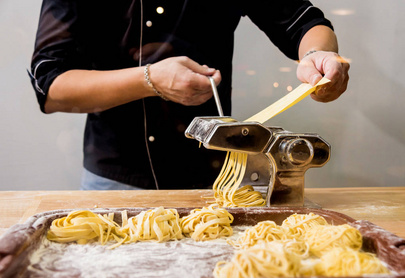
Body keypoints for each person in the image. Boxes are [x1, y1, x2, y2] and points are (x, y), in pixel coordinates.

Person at [28, 0, 349, 190]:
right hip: (114, 183)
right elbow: (51, 86)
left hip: (215, 182)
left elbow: (303, 22)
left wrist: (318, 56)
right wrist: (149, 79)